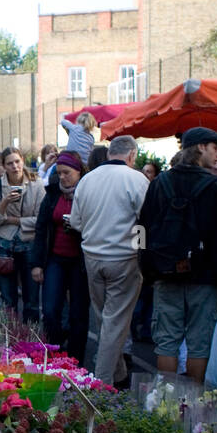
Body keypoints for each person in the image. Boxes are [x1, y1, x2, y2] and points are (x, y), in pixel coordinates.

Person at [137, 126, 217, 382]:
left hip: (165, 274)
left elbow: (140, 227)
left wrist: (145, 268)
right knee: (199, 344)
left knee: (166, 342)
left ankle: (166, 402)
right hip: (204, 279)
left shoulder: (159, 183)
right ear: (200, 147)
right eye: (215, 148)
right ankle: (192, 405)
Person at [69, 134, 149, 387]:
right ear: (131, 155)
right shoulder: (137, 179)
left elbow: (76, 222)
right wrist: (141, 250)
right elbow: (145, 222)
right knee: (114, 322)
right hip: (123, 258)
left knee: (106, 318)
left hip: (92, 257)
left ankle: (119, 374)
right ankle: (101, 383)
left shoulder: (86, 180)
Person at [30, 151, 89, 364]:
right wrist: (37, 264)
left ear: (79, 171)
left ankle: (75, 361)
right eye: (59, 173)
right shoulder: (53, 193)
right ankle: (53, 355)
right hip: (55, 258)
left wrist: (77, 227)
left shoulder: (87, 192)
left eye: (67, 173)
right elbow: (41, 228)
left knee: (78, 314)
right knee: (50, 309)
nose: (63, 177)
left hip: (79, 261)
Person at [0, 148, 45, 322]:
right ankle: (10, 340)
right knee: (8, 300)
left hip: (29, 245)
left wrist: (14, 220)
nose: (15, 166)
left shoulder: (36, 184)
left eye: (17, 161)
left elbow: (40, 219)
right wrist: (4, 203)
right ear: (4, 166)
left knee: (32, 299)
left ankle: (31, 340)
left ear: (23, 161)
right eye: (10, 163)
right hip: (4, 246)